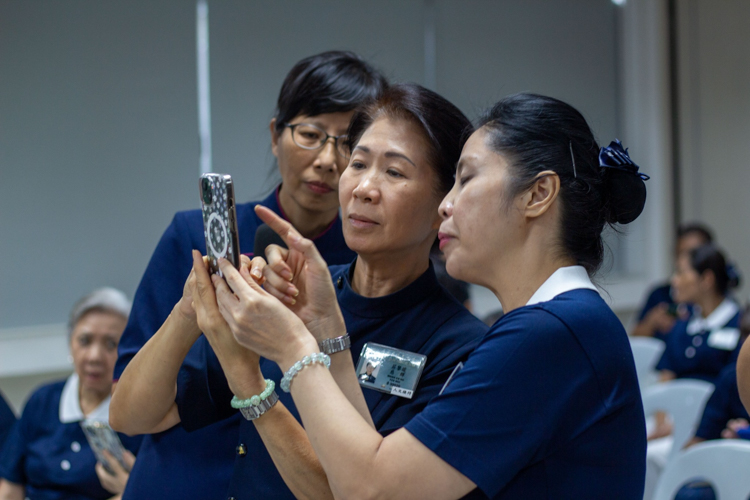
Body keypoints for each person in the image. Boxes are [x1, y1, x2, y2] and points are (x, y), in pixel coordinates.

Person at [199, 93, 649, 499]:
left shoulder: (552, 334)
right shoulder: (559, 325)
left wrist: (291, 347)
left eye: (466, 179)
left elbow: (373, 490)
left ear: (538, 194)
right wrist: (326, 332)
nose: (445, 205)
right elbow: (374, 463)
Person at [115, 83, 487, 499]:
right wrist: (192, 307)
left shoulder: (464, 350)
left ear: (444, 204)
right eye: (359, 163)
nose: (364, 187)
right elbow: (132, 414)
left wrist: (251, 384)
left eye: (394, 172)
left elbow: (362, 492)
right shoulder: (291, 291)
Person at [108, 51, 387, 499]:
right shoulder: (194, 236)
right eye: (311, 134)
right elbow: (128, 414)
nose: (327, 160)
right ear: (277, 135)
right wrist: (195, 311)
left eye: (349, 145)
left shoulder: (363, 267)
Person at [0, 288, 141, 500]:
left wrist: (131, 489)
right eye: (85, 340)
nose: (95, 356)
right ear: (70, 344)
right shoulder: (43, 401)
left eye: (111, 344)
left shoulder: (139, 416)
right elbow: (11, 484)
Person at [654, 244, 742, 385]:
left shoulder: (740, 325)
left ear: (707, 279)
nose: (674, 280)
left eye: (681, 272)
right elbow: (665, 375)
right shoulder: (682, 322)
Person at [631, 223, 713, 340]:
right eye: (680, 254)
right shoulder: (659, 294)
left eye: (693, 254)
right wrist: (652, 322)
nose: (683, 261)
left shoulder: (721, 304)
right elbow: (634, 342)